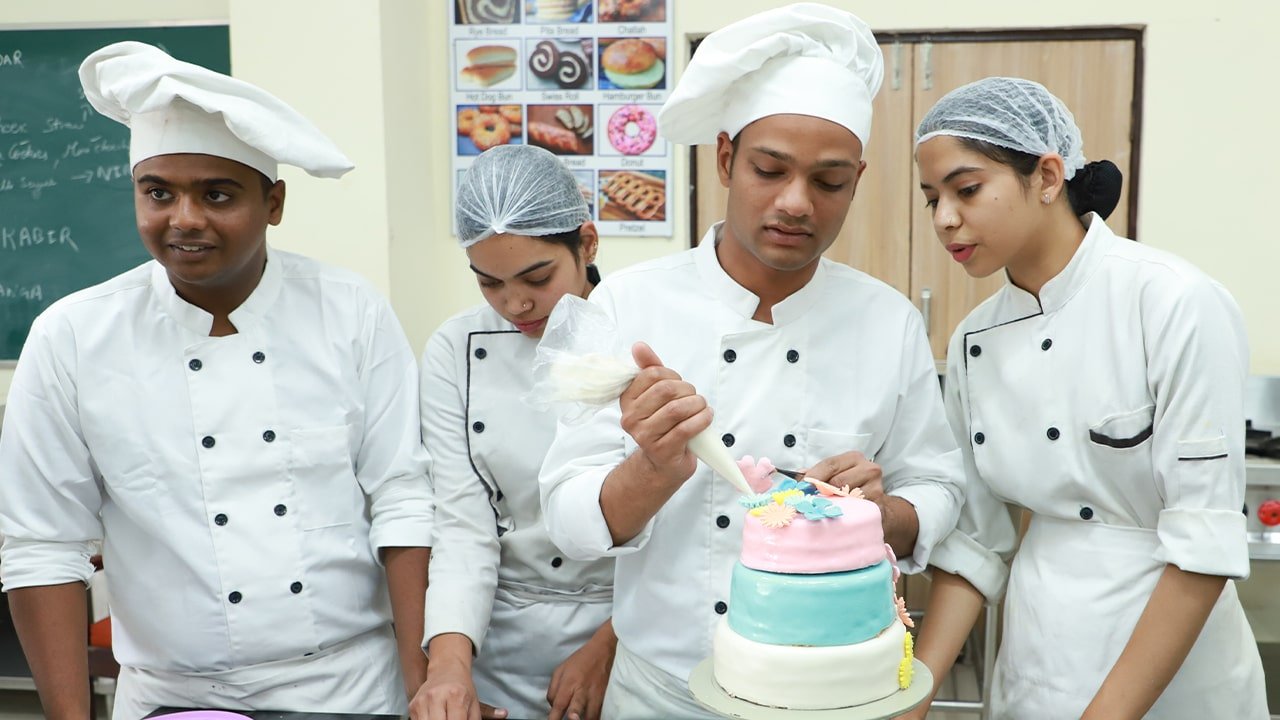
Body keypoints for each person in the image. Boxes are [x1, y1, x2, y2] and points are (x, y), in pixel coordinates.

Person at [537, 4, 965, 718]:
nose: (796, 203)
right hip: (661, 691)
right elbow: (568, 521)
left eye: (829, 182)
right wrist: (653, 468)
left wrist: (879, 513)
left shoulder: (887, 320)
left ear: (857, 180)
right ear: (726, 159)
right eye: (769, 170)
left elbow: (939, 487)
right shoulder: (629, 305)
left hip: (827, 698)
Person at [0, 42, 434, 719]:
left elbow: (404, 500)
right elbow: (42, 546)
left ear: (274, 202)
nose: (184, 218)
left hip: (346, 685)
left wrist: (422, 686)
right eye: (158, 193)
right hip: (169, 694)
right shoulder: (74, 336)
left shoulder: (349, 311)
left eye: (217, 194)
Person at [907, 76, 1268, 719]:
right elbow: (976, 544)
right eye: (932, 198)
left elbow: (1203, 544)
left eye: (967, 190)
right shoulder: (973, 340)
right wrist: (912, 698)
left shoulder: (1170, 301)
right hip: (1036, 662)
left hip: (1173, 682)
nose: (944, 219)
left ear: (1047, 176)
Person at [411, 145, 615, 720]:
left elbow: (684, 526)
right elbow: (463, 522)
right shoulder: (455, 349)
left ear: (588, 243)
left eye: (537, 277)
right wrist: (448, 666)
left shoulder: (644, 329)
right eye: (489, 283)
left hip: (634, 627)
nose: (516, 303)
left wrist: (613, 642)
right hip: (499, 638)